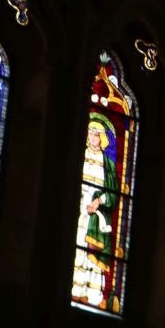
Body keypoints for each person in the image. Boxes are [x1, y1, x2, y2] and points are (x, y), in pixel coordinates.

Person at [71, 114, 119, 309]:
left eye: (96, 135)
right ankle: (75, 289)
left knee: (94, 255)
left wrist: (98, 201)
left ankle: (92, 294)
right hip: (79, 209)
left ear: (102, 138)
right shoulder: (79, 154)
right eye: (90, 134)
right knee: (77, 249)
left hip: (97, 214)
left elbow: (113, 194)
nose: (92, 138)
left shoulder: (108, 164)